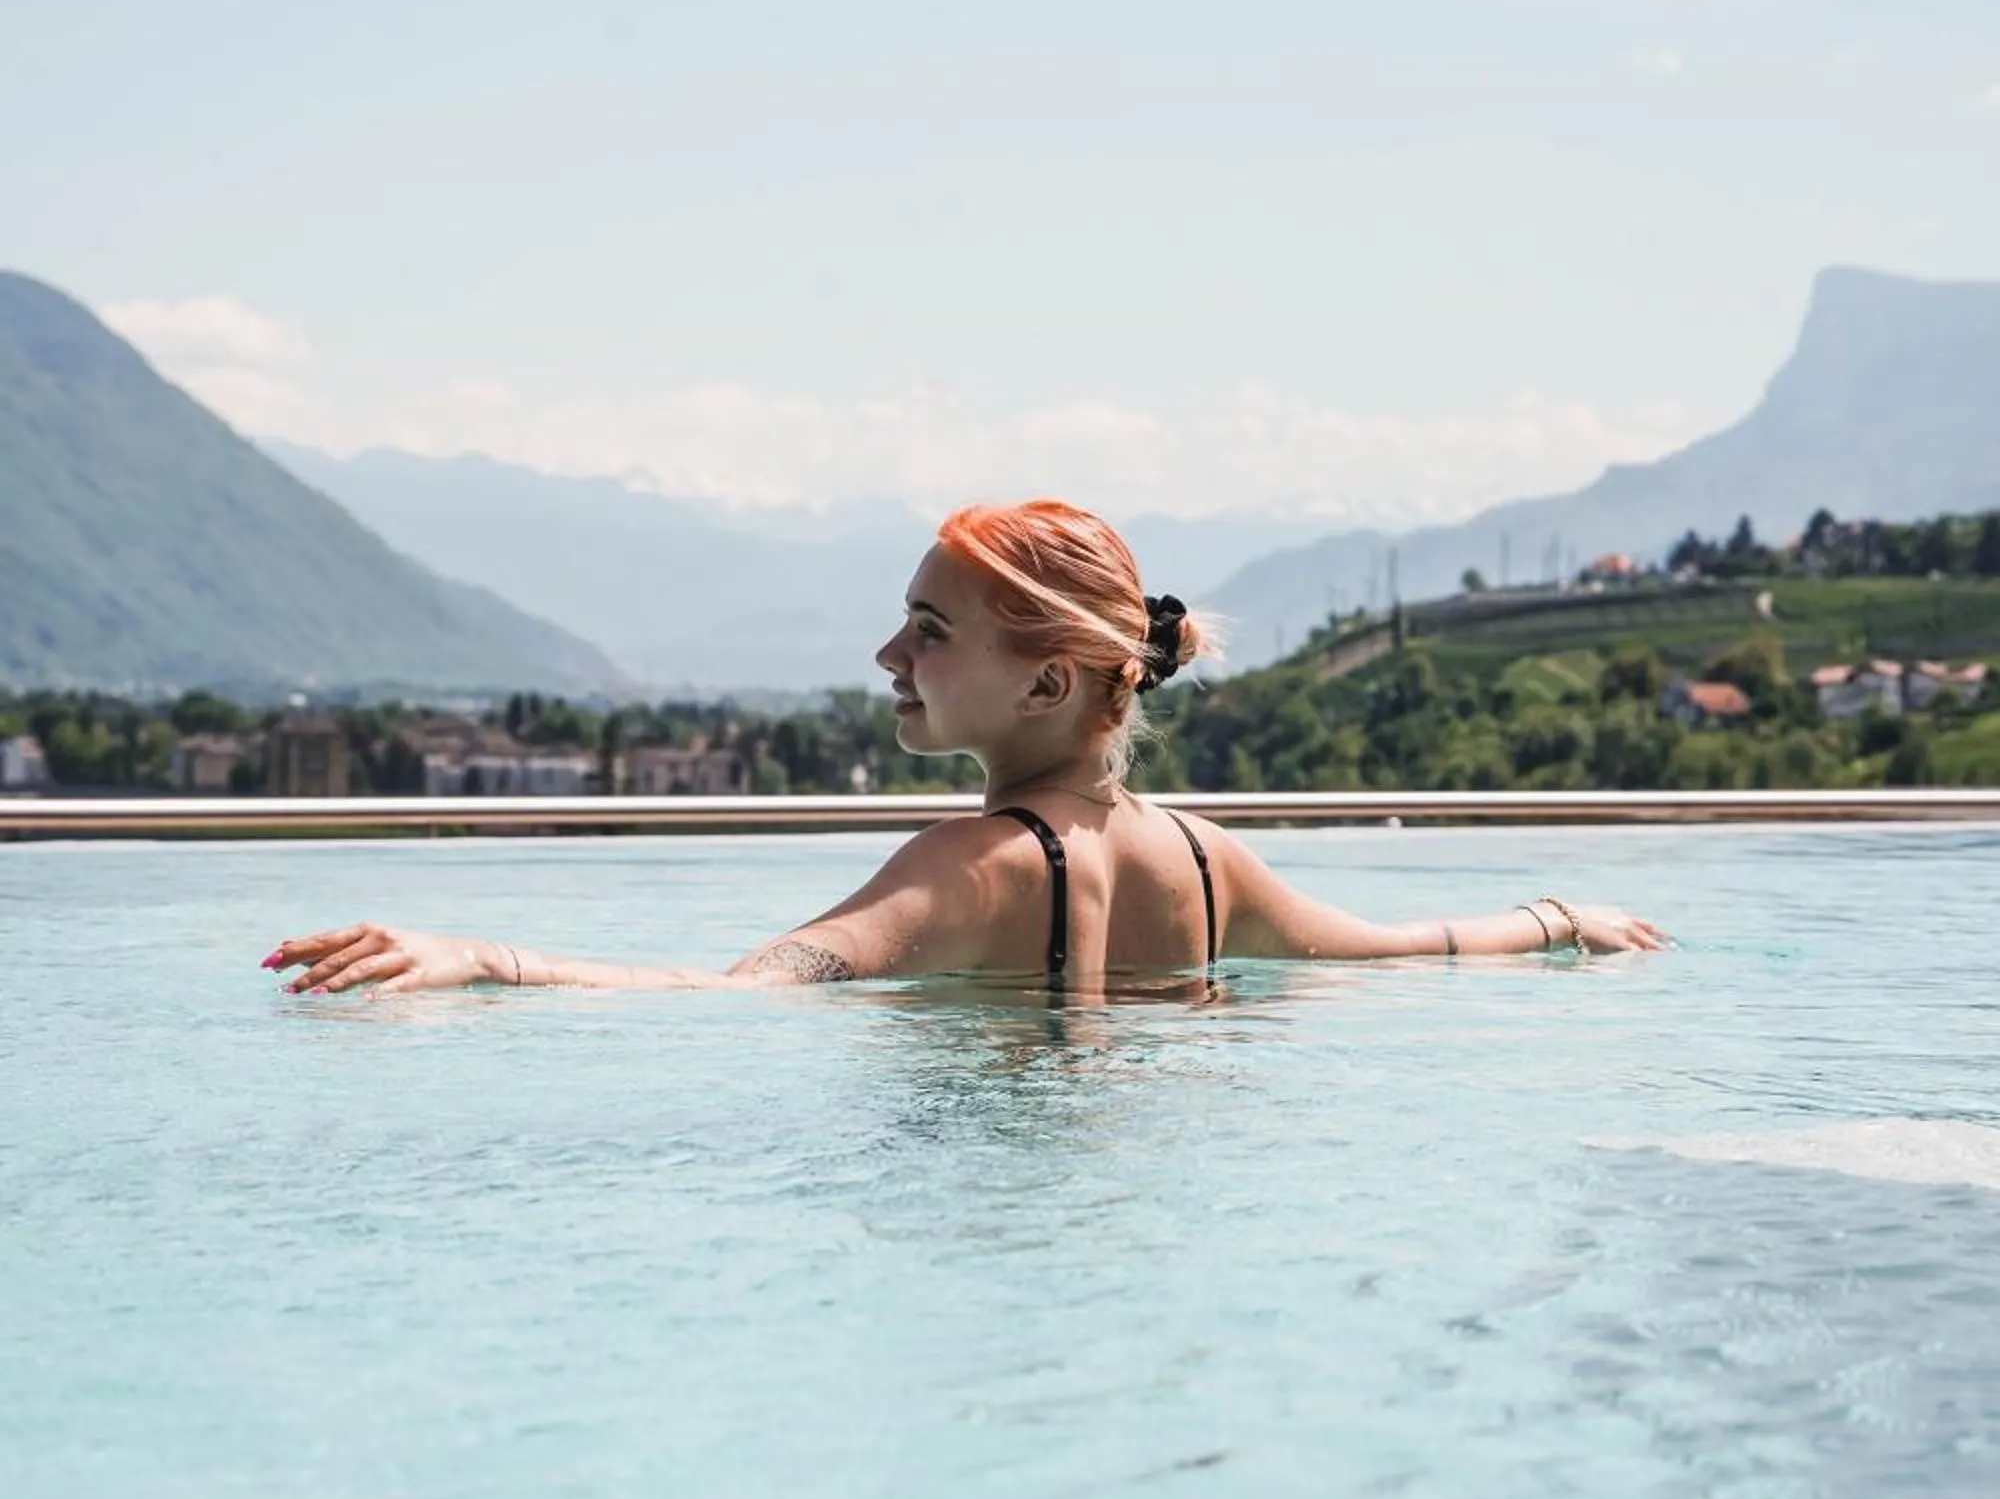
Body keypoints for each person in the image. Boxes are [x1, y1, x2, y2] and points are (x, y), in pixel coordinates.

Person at [262, 500, 1664, 999]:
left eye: (929, 632)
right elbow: (1398, 953)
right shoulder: (1201, 858)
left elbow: (734, 996)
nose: (889, 660)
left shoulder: (974, 867)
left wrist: (485, 959)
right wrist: (1558, 922)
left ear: (1051, 679)